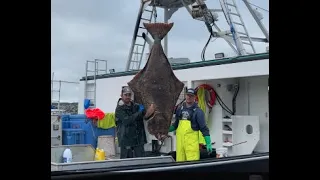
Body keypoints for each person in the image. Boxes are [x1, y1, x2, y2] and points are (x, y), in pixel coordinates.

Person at [168, 88, 212, 162]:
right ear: (185, 96)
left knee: (192, 167)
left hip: (191, 147)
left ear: (195, 97)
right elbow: (175, 125)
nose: (189, 97)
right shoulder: (179, 109)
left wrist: (208, 143)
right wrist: (166, 130)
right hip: (180, 146)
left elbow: (204, 128)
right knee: (180, 167)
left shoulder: (198, 112)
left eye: (191, 96)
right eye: (188, 95)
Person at [115, 86, 155, 159]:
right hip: (126, 140)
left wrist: (150, 112)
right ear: (121, 95)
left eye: (129, 95)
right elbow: (127, 120)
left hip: (138, 139)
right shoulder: (119, 109)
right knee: (126, 162)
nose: (128, 97)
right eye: (126, 95)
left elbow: (144, 117)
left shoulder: (136, 106)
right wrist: (139, 112)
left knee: (140, 161)